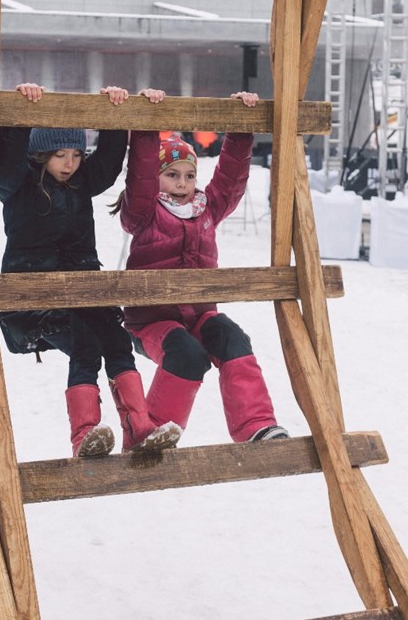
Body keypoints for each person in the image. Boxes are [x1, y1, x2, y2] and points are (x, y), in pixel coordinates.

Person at [0, 82, 181, 458]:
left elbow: (110, 165)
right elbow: (4, 160)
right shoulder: (18, 185)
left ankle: (138, 426)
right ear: (40, 154)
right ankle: (85, 434)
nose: (70, 163)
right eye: (61, 154)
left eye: (77, 154)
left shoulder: (81, 184)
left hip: (83, 292)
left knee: (115, 341)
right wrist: (20, 111)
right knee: (86, 345)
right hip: (33, 301)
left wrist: (112, 114)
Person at [111, 89, 288, 444]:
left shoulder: (206, 210)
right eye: (172, 175)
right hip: (152, 323)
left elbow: (231, 179)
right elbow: (141, 175)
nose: (182, 183)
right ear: (158, 180)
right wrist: (149, 124)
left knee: (232, 337)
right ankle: (153, 435)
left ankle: (256, 425)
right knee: (187, 354)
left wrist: (240, 128)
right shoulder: (145, 213)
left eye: (189, 176)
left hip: (200, 316)